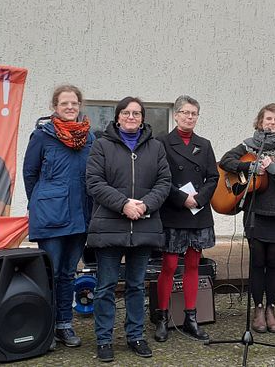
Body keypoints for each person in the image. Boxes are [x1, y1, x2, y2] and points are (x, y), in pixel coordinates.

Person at [86, 96, 171, 362]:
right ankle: (104, 339)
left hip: (144, 226)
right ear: (118, 116)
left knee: (136, 286)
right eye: (126, 113)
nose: (131, 117)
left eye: (136, 113)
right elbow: (94, 182)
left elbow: (164, 181)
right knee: (106, 286)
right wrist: (123, 204)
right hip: (110, 226)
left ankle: (136, 336)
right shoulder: (101, 145)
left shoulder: (155, 147)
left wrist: (145, 206)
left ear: (143, 118)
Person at [23, 84, 95, 348]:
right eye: (64, 103)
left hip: (80, 215)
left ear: (79, 106)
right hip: (51, 216)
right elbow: (30, 174)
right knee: (49, 273)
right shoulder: (42, 135)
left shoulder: (89, 138)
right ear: (55, 106)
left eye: (74, 103)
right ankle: (45, 327)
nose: (70, 107)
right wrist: (42, 201)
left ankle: (64, 324)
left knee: (68, 274)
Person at [219, 103, 275, 334]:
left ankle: (271, 309)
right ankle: (257, 308)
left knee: (273, 263)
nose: (272, 123)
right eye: (268, 119)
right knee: (257, 262)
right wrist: (249, 166)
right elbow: (226, 161)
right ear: (260, 122)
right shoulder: (249, 144)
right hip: (254, 212)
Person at [155, 95, 219, 342]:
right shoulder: (161, 142)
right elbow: (160, 178)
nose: (190, 117)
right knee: (169, 266)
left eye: (194, 113)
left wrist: (199, 199)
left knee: (193, 265)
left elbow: (213, 177)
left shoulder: (204, 144)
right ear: (176, 114)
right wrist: (182, 199)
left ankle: (190, 317)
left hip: (198, 212)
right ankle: (162, 317)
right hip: (174, 211)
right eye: (186, 112)